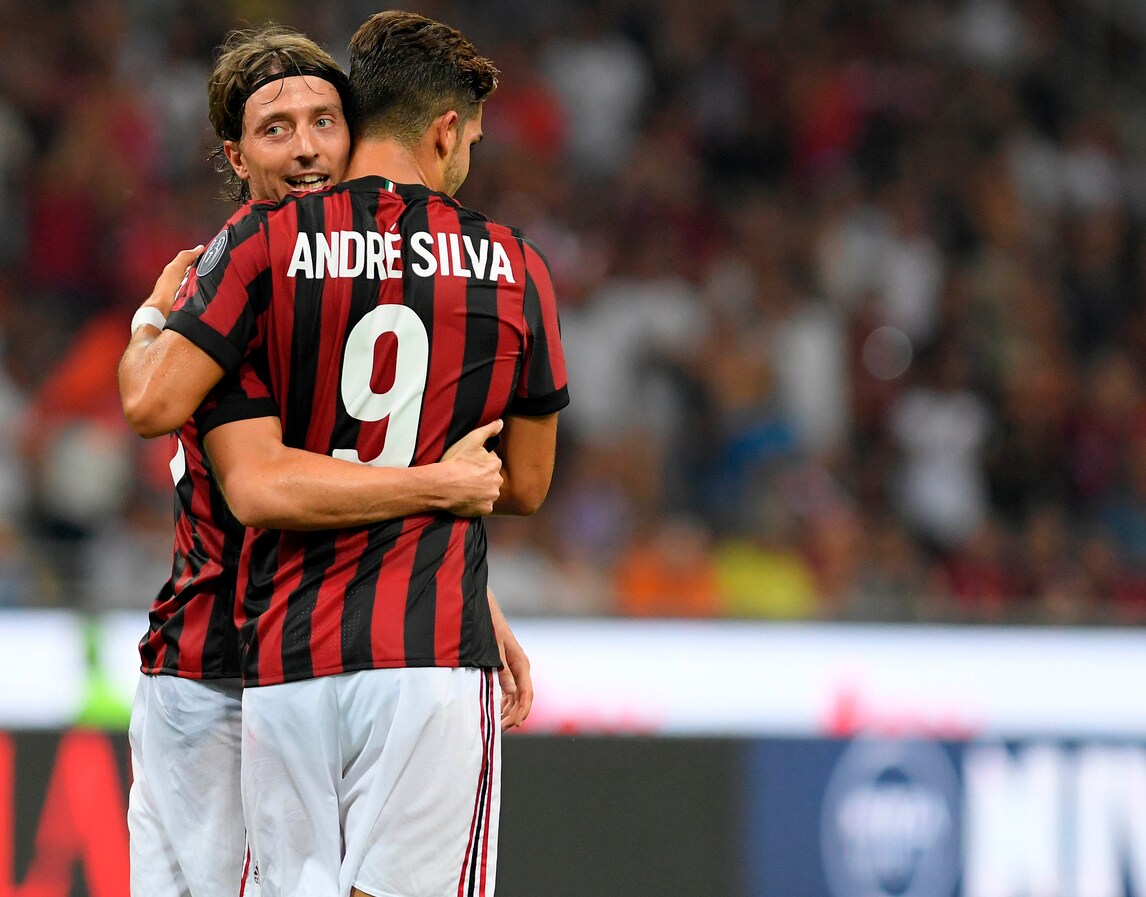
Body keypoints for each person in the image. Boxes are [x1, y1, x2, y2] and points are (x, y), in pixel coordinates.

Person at [120, 11, 566, 897]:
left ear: (357, 127)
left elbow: (349, 444)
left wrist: (478, 591)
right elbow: (196, 438)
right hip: (216, 668)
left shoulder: (273, 264)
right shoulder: (239, 264)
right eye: (276, 129)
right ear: (235, 156)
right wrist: (148, 320)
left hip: (281, 659)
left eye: (324, 121)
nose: (307, 148)